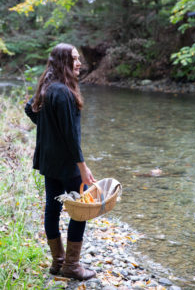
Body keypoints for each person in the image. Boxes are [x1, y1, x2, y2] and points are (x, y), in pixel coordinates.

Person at [25, 43, 96, 280]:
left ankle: (58, 262)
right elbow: (70, 137)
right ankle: (72, 266)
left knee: (52, 209)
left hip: (49, 161)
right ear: (64, 61)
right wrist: (83, 168)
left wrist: (48, 128)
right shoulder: (64, 92)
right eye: (75, 59)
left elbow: (29, 109)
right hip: (66, 164)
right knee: (82, 209)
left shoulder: (47, 87)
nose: (79, 63)